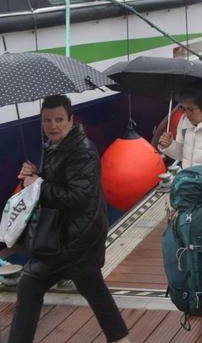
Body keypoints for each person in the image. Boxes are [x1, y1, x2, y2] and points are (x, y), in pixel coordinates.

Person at [11, 95, 129, 343]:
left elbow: (77, 197)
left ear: (71, 120)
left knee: (32, 283)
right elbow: (56, 181)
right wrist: (34, 174)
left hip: (76, 238)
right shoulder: (55, 146)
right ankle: (120, 338)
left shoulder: (82, 151)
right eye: (47, 120)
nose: (53, 125)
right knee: (92, 288)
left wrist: (38, 185)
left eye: (59, 120)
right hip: (68, 234)